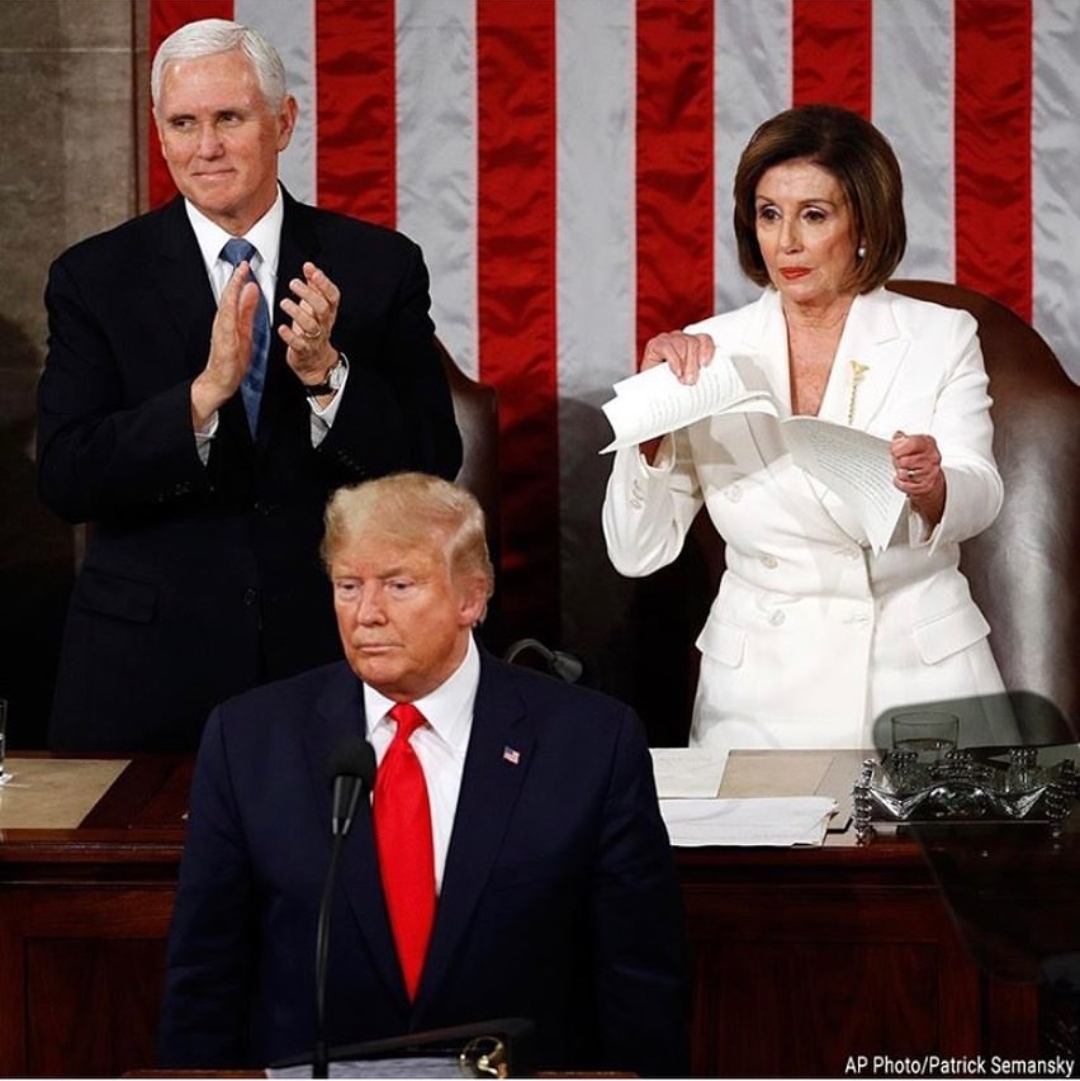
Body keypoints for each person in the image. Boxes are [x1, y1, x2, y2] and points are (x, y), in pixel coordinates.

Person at [157, 472, 688, 1076]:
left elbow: (641, 977)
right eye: (348, 586)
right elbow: (205, 974)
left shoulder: (590, 742)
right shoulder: (250, 739)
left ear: (472, 597)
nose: (367, 615)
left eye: (399, 585)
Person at [36, 20, 462, 752]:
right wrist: (200, 398)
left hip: (325, 659)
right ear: (161, 132)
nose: (206, 147)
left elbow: (432, 461)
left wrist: (327, 376)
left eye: (229, 118)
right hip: (146, 672)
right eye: (184, 123)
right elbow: (67, 476)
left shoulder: (376, 267)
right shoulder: (93, 278)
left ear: (283, 121)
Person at [602, 104, 1007, 758]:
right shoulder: (705, 350)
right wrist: (653, 432)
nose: (786, 241)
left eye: (814, 215)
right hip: (760, 688)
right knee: (762, 863)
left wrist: (933, 487)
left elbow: (981, 490)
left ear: (865, 224)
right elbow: (636, 551)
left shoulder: (940, 335)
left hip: (919, 677)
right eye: (769, 213)